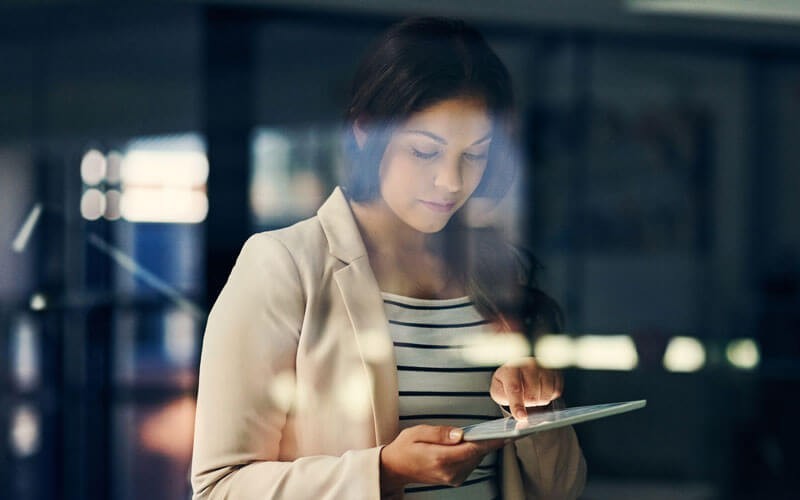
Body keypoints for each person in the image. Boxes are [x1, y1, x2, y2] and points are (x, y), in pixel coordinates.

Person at [191, 16, 586, 500]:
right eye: (425, 152)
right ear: (364, 130)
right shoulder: (285, 266)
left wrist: (538, 409)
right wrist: (382, 471)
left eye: (476, 154)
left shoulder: (498, 271)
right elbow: (218, 489)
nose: (452, 181)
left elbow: (561, 489)